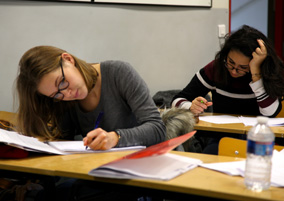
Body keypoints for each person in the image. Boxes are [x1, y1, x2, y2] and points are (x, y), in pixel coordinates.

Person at [15, 45, 166, 200]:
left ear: (68, 59)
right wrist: (37, 180)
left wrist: (115, 138)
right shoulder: (64, 101)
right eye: (56, 94)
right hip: (101, 176)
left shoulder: (119, 72)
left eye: (62, 82)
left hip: (141, 174)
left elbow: (157, 129)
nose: (67, 93)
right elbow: (63, 146)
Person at [172, 25, 284, 154]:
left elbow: (269, 113)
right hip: (222, 137)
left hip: (259, 139)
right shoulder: (217, 68)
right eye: (230, 62)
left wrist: (256, 74)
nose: (234, 71)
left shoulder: (267, 72)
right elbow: (177, 99)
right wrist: (191, 106)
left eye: (242, 67)